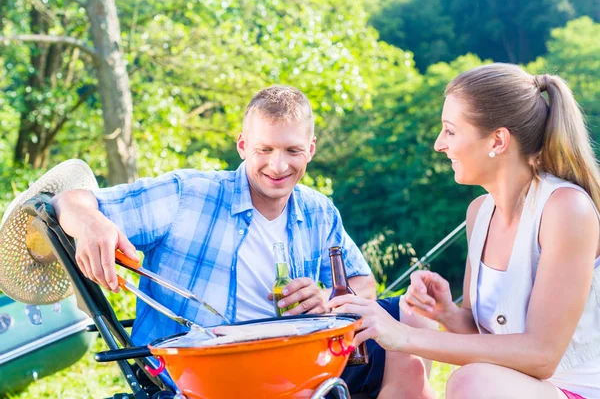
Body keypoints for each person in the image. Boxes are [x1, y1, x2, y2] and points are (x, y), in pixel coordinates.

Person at [51, 85, 434, 398]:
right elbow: (67, 200)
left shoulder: (318, 211)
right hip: (207, 371)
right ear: (242, 146)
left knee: (413, 327)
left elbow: (362, 282)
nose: (278, 166)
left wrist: (330, 302)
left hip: (299, 358)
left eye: (292, 151)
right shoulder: (189, 195)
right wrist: (87, 221)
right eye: (264, 150)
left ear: (311, 150)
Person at [330, 63, 600, 399]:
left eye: (450, 131)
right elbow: (484, 335)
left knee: (470, 381)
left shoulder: (565, 209)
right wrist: (447, 313)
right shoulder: (479, 213)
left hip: (573, 390)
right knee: (413, 322)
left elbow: (542, 356)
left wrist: (400, 334)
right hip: (516, 386)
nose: (438, 144)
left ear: (498, 140)